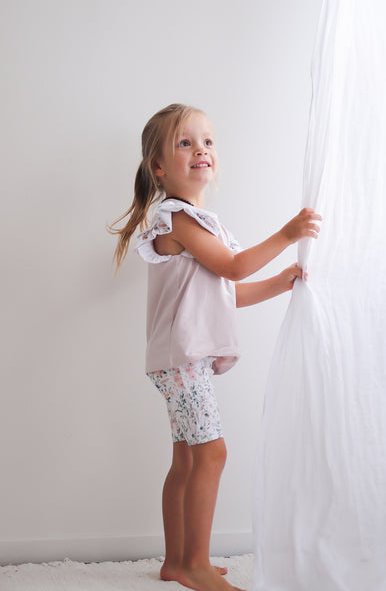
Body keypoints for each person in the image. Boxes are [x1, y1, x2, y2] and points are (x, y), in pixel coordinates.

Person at [107, 103, 321, 591]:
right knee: (212, 454)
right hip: (181, 361)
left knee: (187, 458)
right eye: (185, 143)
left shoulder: (202, 223)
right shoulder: (176, 219)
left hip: (180, 359)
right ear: (159, 167)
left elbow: (230, 292)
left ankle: (177, 562)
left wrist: (281, 284)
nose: (201, 149)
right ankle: (195, 565)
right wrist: (287, 235)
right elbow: (233, 269)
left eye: (207, 141)